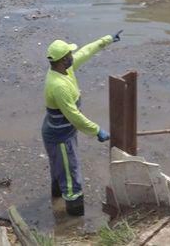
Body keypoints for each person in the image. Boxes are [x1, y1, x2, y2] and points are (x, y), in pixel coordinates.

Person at [42, 31, 122, 217]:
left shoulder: (63, 69)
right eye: (69, 54)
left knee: (60, 170)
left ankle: (57, 206)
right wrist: (96, 130)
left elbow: (85, 52)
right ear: (63, 60)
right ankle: (73, 223)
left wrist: (107, 39)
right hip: (60, 137)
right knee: (71, 179)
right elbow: (73, 115)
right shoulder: (59, 85)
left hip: (60, 131)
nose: (72, 56)